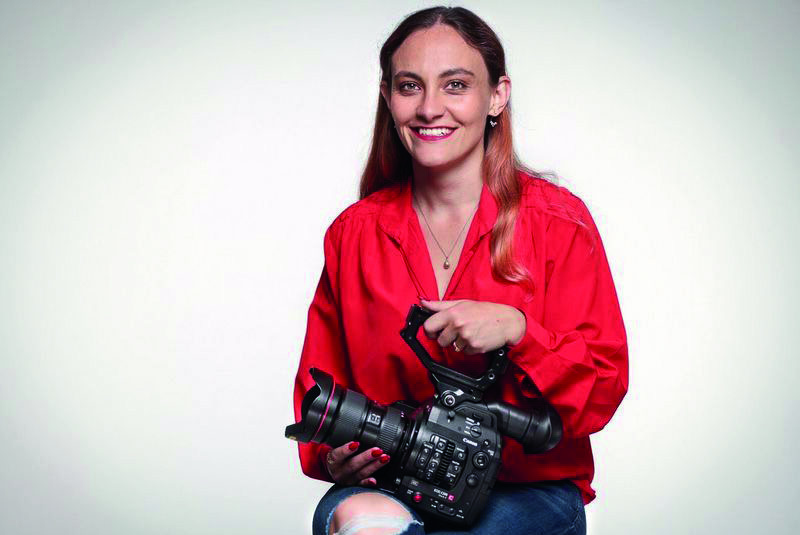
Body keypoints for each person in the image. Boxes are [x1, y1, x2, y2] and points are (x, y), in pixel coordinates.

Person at [291, 6, 628, 535]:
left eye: (455, 85)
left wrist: (521, 332)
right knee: (363, 521)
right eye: (409, 86)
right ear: (388, 97)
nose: (430, 108)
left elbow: (602, 390)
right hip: (391, 486)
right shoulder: (353, 234)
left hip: (527, 490)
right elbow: (320, 389)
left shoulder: (559, 223)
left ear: (497, 95)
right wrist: (335, 458)